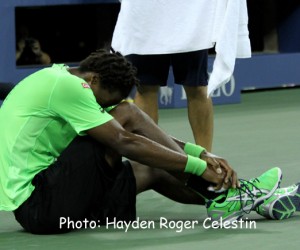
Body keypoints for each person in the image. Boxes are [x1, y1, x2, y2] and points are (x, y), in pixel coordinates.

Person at [0, 49, 298, 235]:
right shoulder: (67, 86)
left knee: (153, 169)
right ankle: (231, 193)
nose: (106, 109)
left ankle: (240, 198)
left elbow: (145, 144)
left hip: (61, 206)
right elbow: (123, 139)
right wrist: (196, 165)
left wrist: (201, 153)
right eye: (106, 103)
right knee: (127, 114)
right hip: (40, 205)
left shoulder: (68, 82)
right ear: (92, 80)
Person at [111, 0, 251, 152]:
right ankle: (149, 163)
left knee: (197, 87)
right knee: (146, 89)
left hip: (192, 13)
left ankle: (207, 160)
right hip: (146, 13)